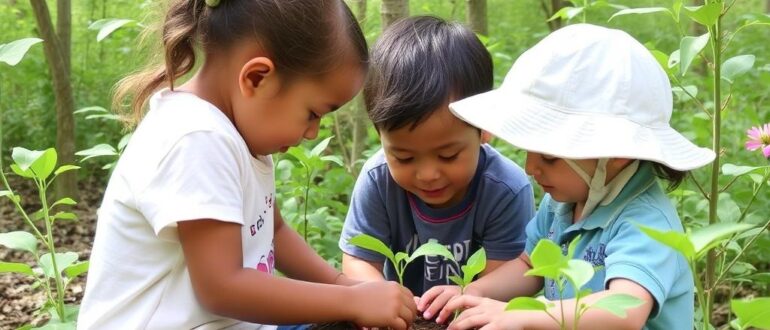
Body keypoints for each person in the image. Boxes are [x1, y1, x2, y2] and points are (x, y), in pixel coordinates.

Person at [77, 1, 417, 329]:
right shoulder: (196, 137)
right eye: (313, 113)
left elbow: (275, 231)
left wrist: (348, 287)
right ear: (256, 78)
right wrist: (351, 303)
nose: (312, 132)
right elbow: (223, 287)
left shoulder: (239, 131)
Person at [418, 24, 715, 330]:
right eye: (529, 152)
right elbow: (529, 265)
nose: (531, 168)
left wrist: (525, 316)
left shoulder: (646, 222)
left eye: (549, 156)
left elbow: (625, 310)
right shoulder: (561, 203)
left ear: (616, 152)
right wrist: (475, 292)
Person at [338, 16, 535, 297]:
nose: (428, 174)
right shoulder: (378, 179)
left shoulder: (505, 188)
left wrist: (467, 296)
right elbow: (358, 259)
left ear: (484, 128)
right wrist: (382, 297)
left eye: (448, 155)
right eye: (404, 158)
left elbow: (507, 278)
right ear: (381, 136)